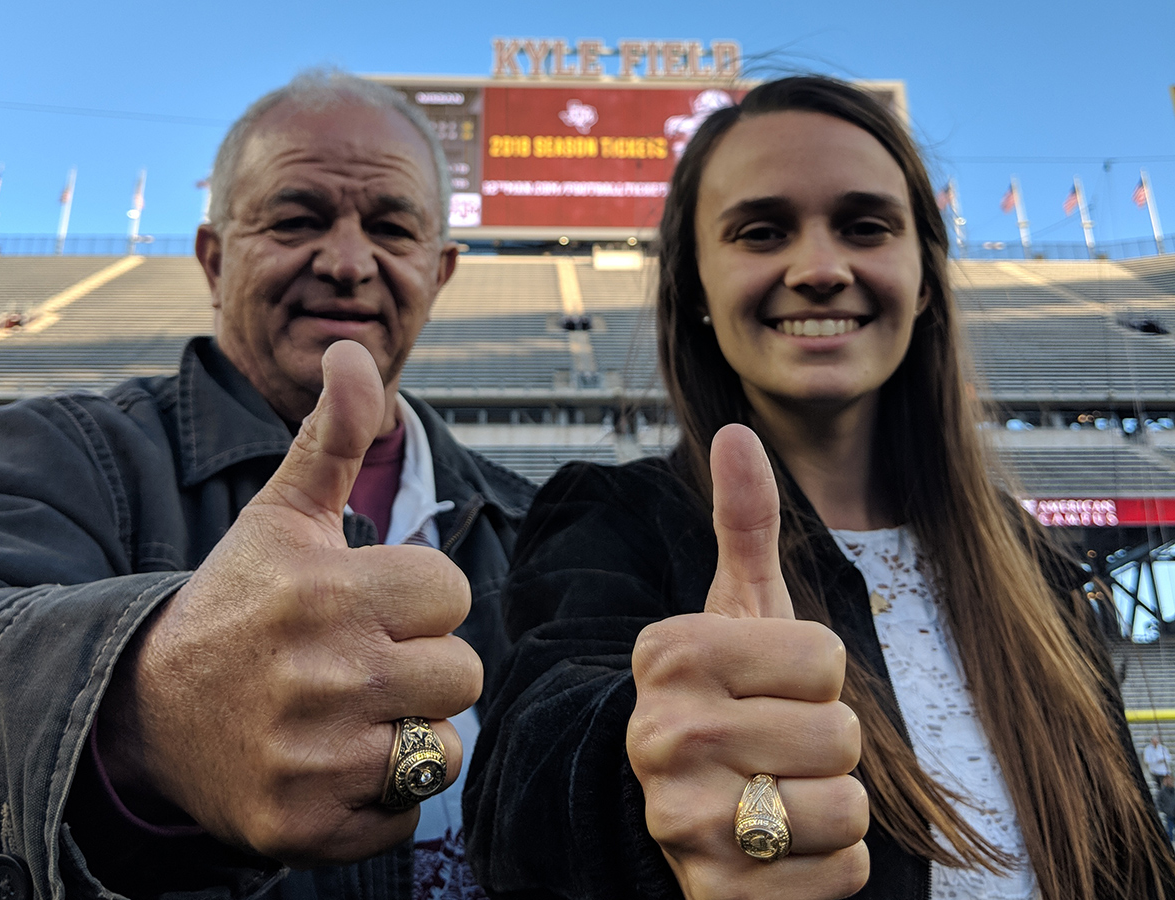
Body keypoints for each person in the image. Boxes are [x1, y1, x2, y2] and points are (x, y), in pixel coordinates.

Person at [464, 76, 1175, 900]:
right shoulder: (610, 521)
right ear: (693, 285)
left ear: (925, 271)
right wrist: (654, 781)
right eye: (761, 232)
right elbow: (528, 778)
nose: (820, 268)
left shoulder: (1031, 563)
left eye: (865, 226)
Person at [0, 72, 534, 900]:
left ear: (442, 270)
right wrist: (139, 714)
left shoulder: (529, 525)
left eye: (391, 227)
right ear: (213, 257)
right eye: (296, 219)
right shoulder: (58, 449)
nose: (347, 263)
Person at [1159, 776, 1175, 844]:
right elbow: (1158, 802)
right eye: (1167, 780)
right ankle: (1170, 843)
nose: (1170, 782)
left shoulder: (1174, 790)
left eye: (1170, 780)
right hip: (1169, 814)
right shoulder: (1162, 792)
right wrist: (1164, 810)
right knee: (1170, 830)